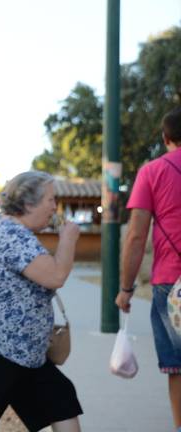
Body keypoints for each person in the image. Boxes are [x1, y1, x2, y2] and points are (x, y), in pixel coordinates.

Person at [0, 170, 82, 432]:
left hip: (18, 351)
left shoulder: (8, 230)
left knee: (61, 400)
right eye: (50, 200)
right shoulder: (11, 234)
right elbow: (56, 275)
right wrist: (68, 239)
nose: (54, 207)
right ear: (28, 203)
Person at [116, 106, 181, 430]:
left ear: (165, 137)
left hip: (172, 283)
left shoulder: (153, 171)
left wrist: (126, 288)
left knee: (178, 368)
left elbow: (137, 235)